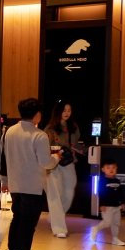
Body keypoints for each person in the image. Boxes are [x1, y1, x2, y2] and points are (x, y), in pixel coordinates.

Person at [0, 98, 61, 250]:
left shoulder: (9, 132)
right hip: (32, 185)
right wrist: (56, 157)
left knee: (18, 218)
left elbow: (4, 159)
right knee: (28, 223)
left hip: (15, 184)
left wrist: (4, 180)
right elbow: (46, 162)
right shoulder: (39, 135)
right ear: (37, 115)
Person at [44, 100, 81, 237]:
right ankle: (59, 228)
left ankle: (55, 216)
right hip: (53, 164)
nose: (66, 113)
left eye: (69, 111)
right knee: (55, 194)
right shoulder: (50, 128)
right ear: (58, 111)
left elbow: (76, 144)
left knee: (69, 192)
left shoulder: (74, 127)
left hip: (68, 162)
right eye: (64, 110)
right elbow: (44, 148)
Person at [91, 157, 125, 246]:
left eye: (113, 168)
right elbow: (101, 193)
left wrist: (122, 202)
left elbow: (120, 193)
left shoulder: (117, 181)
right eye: (108, 168)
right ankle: (96, 228)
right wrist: (102, 204)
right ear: (103, 169)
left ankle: (115, 239)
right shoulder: (103, 181)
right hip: (107, 206)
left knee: (116, 223)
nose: (111, 170)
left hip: (116, 206)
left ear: (116, 169)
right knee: (107, 222)